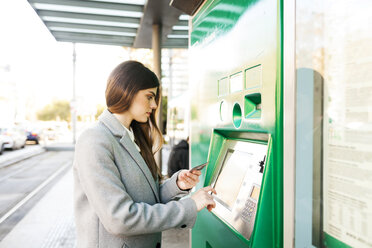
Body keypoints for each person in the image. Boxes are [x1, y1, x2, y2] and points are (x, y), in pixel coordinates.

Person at [73, 60, 216, 248]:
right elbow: (121, 218)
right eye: (149, 97)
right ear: (127, 91)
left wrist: (177, 185)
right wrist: (189, 206)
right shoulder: (95, 140)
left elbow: (145, 198)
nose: (155, 104)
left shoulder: (131, 136)